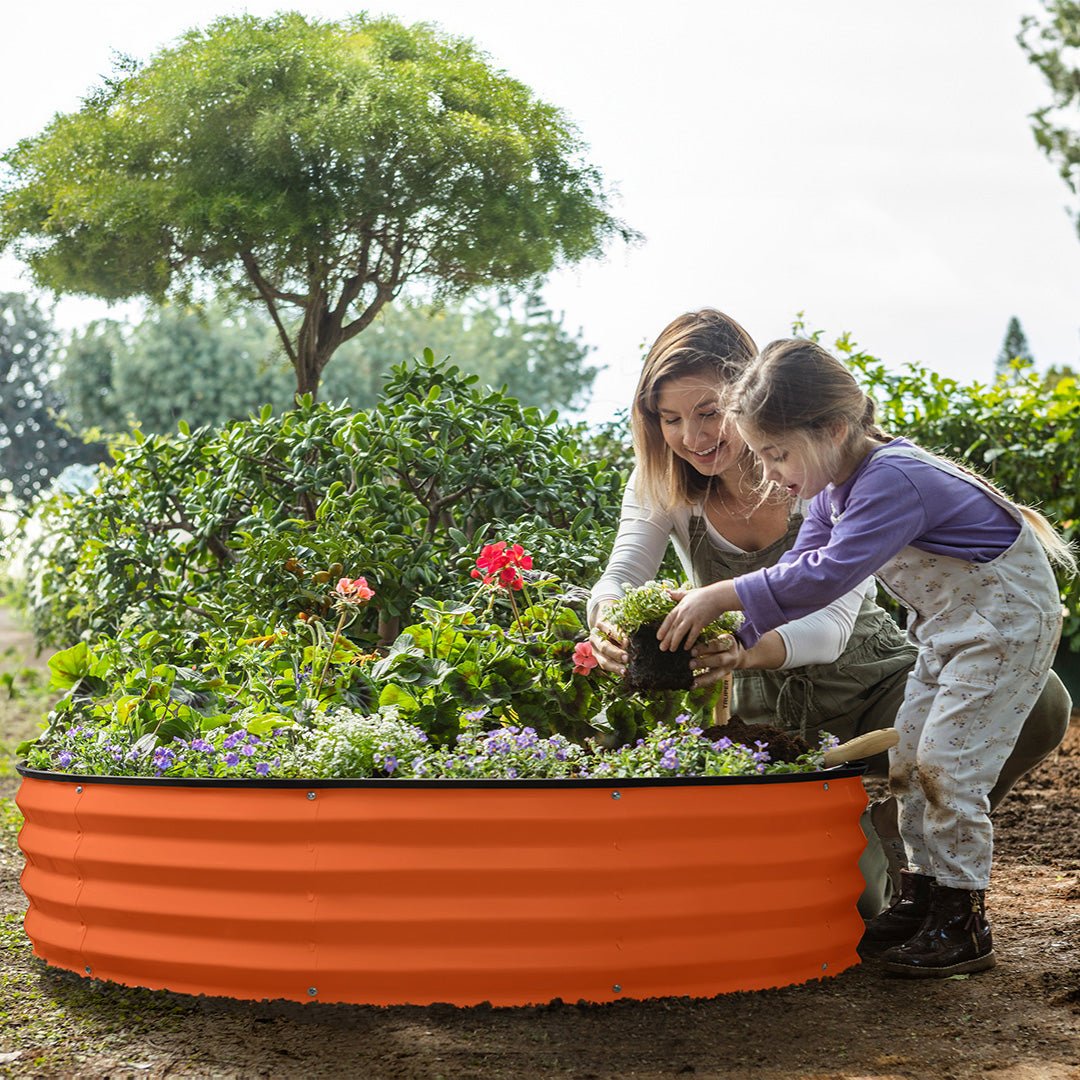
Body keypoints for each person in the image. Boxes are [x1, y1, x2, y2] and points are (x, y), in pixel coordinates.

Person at [588, 309, 1071, 923]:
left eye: (710, 413)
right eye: (670, 418)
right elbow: (626, 572)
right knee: (880, 833)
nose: (692, 436)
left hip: (909, 658)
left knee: (952, 760)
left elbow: (824, 590)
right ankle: (907, 885)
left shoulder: (850, 474)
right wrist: (611, 622)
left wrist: (719, 605)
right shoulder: (790, 472)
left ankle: (949, 905)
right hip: (800, 683)